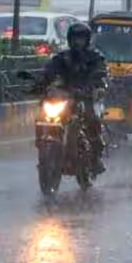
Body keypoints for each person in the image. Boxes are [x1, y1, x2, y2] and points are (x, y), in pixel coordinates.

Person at [39, 23, 109, 174]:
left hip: (85, 96)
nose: (78, 42)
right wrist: (40, 82)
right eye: (75, 38)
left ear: (87, 40)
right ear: (70, 39)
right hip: (65, 97)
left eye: (81, 39)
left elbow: (100, 73)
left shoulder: (95, 57)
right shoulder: (62, 57)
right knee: (44, 114)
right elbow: (49, 71)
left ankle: (96, 158)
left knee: (92, 120)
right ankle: (44, 148)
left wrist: (93, 86)